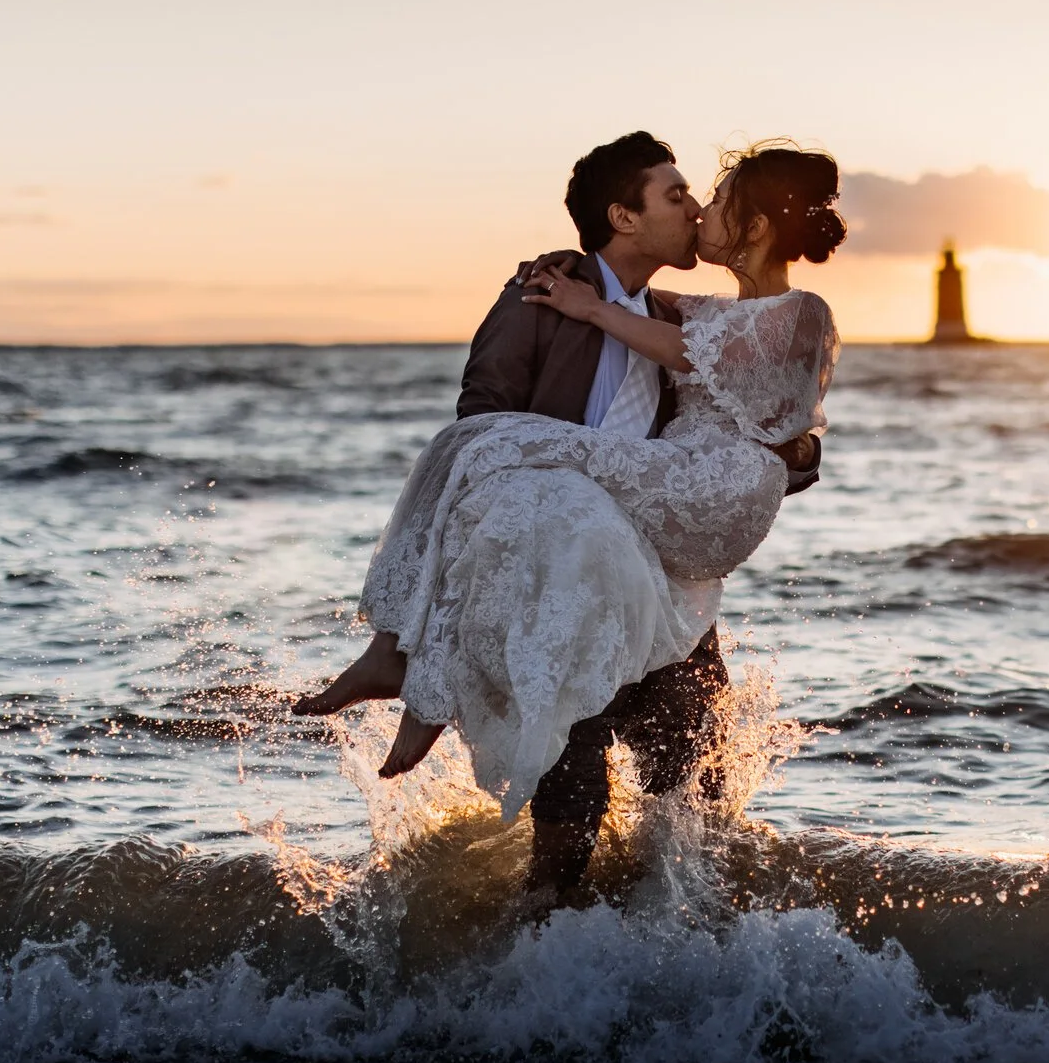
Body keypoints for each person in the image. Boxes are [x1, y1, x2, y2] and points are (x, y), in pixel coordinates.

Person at [300, 134, 840, 902]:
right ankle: (547, 932)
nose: (695, 208)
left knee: (694, 768)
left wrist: (798, 447)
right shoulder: (539, 297)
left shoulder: (680, 318)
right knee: (572, 776)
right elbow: (483, 415)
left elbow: (759, 392)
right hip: (565, 565)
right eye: (677, 195)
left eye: (703, 196)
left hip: (662, 553)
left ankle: (706, 939)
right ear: (623, 215)